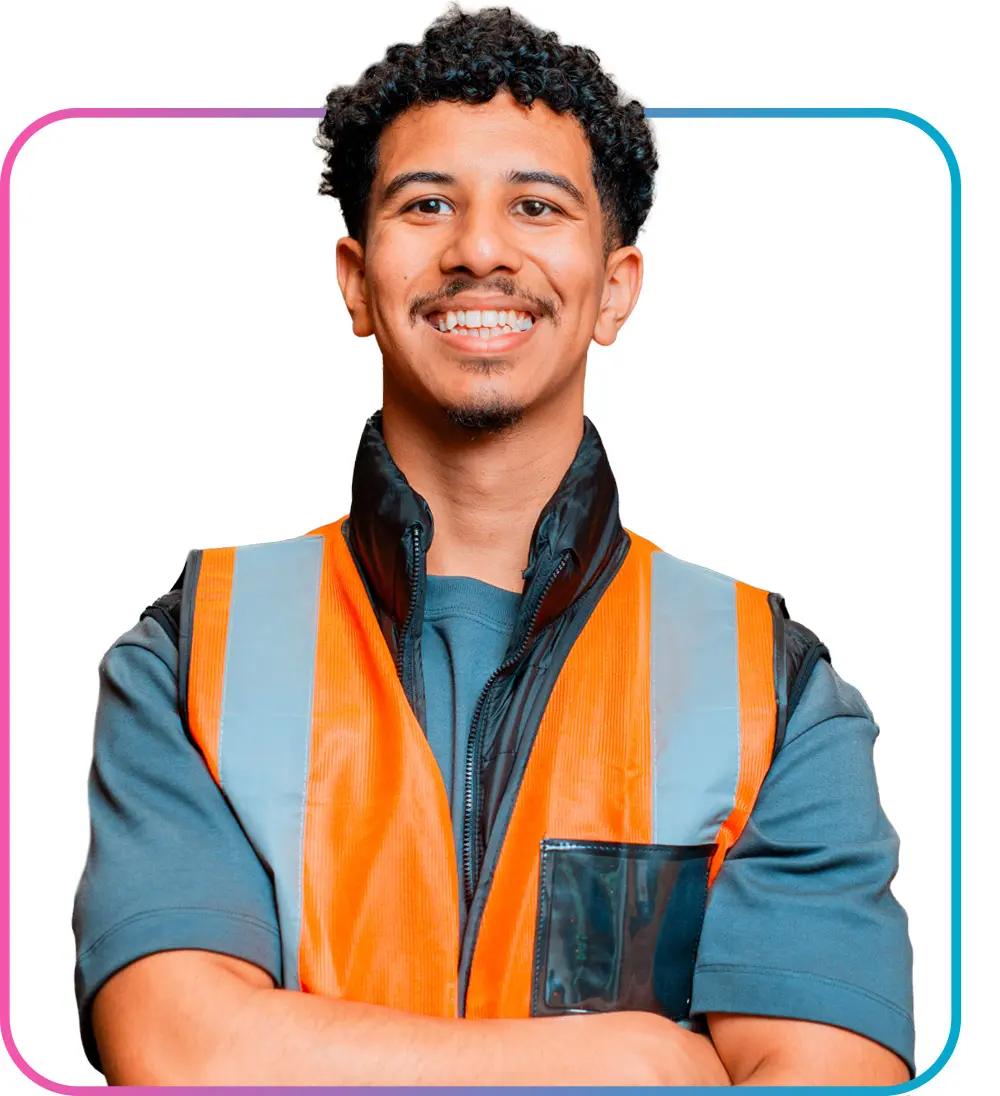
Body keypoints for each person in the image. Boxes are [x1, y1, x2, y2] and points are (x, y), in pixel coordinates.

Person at [72, 5, 914, 1086]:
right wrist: (638, 1061)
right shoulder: (191, 655)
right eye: (426, 205)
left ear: (614, 285)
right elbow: (182, 1049)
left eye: (536, 205)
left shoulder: (774, 687)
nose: (478, 249)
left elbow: (824, 1075)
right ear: (355, 279)